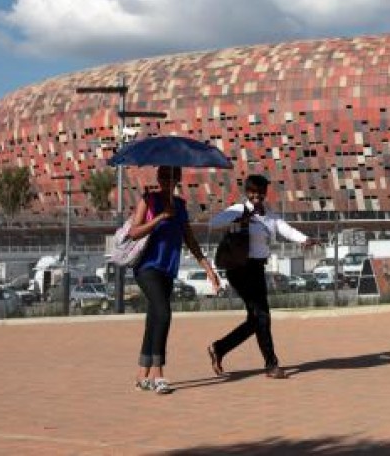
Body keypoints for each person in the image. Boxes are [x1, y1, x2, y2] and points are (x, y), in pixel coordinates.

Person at [206, 174, 318, 379]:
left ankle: (219, 348)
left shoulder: (270, 215)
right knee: (262, 317)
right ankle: (271, 365)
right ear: (247, 193)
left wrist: (305, 239)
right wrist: (240, 219)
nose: (257, 196)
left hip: (256, 268)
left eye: (261, 193)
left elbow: (287, 230)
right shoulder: (239, 209)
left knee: (256, 319)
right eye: (253, 192)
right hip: (239, 269)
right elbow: (213, 223)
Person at [130, 165, 219, 394]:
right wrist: (160, 217)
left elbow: (190, 240)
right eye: (163, 176)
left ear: (177, 179)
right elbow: (134, 232)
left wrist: (208, 269)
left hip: (168, 270)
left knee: (154, 318)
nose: (166, 180)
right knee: (163, 313)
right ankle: (158, 374)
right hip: (147, 268)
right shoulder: (148, 200)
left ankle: (142, 375)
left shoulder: (179, 206)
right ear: (158, 178)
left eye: (171, 177)